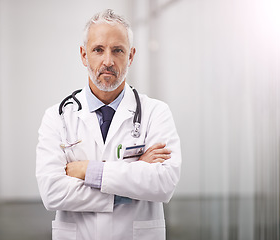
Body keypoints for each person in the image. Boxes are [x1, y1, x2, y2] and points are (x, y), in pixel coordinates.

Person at [36, 9, 181, 240]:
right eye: (98, 50)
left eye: (118, 50)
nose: (108, 61)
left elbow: (163, 184)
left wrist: (88, 170)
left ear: (131, 56)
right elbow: (52, 192)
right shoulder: (57, 117)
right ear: (84, 55)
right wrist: (129, 188)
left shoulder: (156, 112)